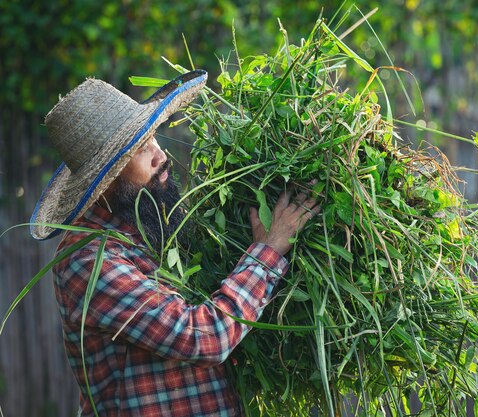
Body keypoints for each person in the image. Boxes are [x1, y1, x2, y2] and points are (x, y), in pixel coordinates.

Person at [30, 70, 319, 416]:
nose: (160, 155)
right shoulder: (90, 261)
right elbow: (203, 336)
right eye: (140, 150)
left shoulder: (150, 224)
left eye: (153, 137)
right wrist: (268, 252)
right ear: (105, 181)